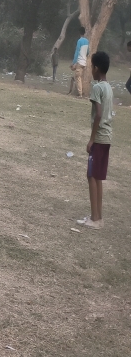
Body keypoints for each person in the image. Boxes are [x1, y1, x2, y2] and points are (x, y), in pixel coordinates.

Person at [78, 51, 113, 230]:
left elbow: (98, 114)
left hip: (99, 138)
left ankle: (94, 218)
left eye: (91, 66)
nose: (90, 69)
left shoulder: (97, 87)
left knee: (91, 175)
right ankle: (98, 217)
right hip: (107, 137)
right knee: (97, 176)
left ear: (96, 68)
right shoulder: (108, 87)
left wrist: (91, 139)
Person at [69, 28, 89, 97]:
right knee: (76, 76)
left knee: (78, 77)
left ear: (79, 33)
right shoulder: (87, 41)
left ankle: (80, 94)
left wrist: (74, 62)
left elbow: (77, 52)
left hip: (79, 61)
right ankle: (71, 90)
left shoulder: (79, 41)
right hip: (84, 62)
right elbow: (88, 52)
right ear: (84, 33)